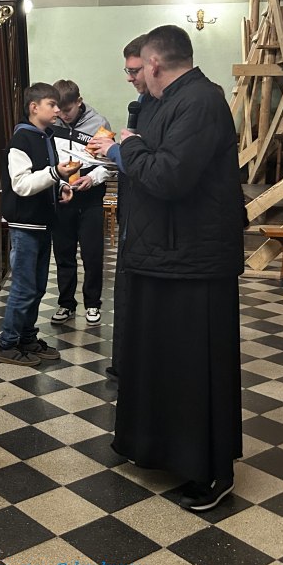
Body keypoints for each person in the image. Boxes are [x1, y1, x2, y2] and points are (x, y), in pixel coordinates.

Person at [89, 25, 244, 513]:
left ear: (154, 63)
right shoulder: (166, 101)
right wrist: (131, 147)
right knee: (158, 361)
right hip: (160, 254)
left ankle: (210, 470)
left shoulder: (201, 101)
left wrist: (125, 148)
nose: (138, 79)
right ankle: (155, 448)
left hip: (194, 261)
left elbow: (168, 176)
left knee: (194, 368)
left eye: (141, 68)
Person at [0, 82, 77, 366]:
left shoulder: (45, 137)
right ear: (34, 107)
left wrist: (60, 187)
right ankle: (7, 343)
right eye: (51, 104)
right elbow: (21, 184)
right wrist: (55, 173)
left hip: (43, 224)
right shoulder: (22, 139)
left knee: (38, 287)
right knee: (23, 288)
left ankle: (27, 338)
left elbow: (43, 177)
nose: (57, 110)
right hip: (25, 226)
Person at [105, 35, 156, 380]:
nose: (130, 77)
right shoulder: (144, 103)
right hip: (133, 214)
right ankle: (124, 363)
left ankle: (135, 367)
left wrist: (114, 150)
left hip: (149, 223)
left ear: (154, 66)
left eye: (134, 70)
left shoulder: (169, 107)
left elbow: (150, 167)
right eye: (127, 70)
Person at [50, 79, 115, 327]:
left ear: (79, 101)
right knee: (63, 253)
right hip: (62, 194)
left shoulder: (99, 123)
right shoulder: (52, 124)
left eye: (67, 110)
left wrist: (92, 178)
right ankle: (66, 304)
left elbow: (109, 164)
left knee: (92, 254)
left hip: (90, 197)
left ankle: (93, 304)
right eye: (59, 110)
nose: (63, 116)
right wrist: (59, 183)